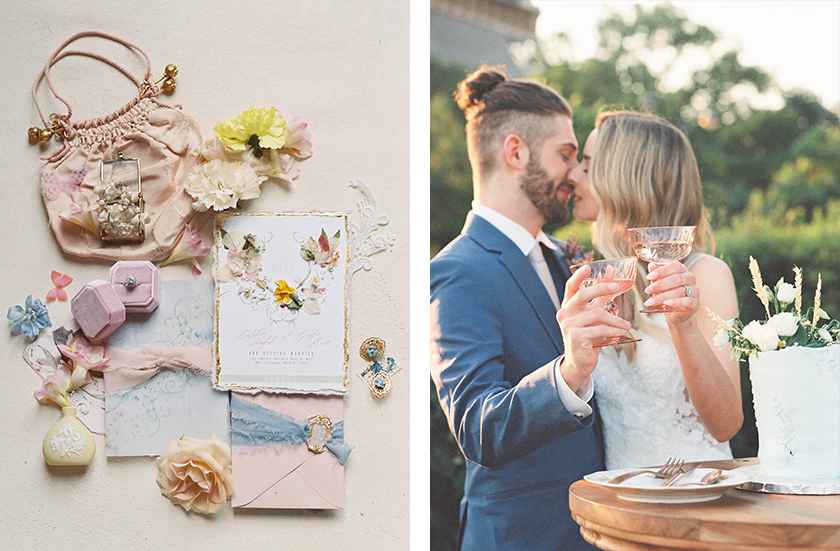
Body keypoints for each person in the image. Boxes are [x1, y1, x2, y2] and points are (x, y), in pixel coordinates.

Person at [430, 67, 630, 550]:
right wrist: (570, 371)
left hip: (596, 530)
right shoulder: (458, 270)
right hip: (520, 535)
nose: (575, 174)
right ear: (516, 152)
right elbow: (478, 425)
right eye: (565, 154)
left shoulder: (566, 258)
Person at [566, 110, 743, 470]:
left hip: (694, 498)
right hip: (621, 504)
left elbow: (726, 425)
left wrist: (684, 324)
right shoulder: (596, 278)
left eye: (587, 165)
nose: (572, 176)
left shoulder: (706, 275)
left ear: (624, 177)